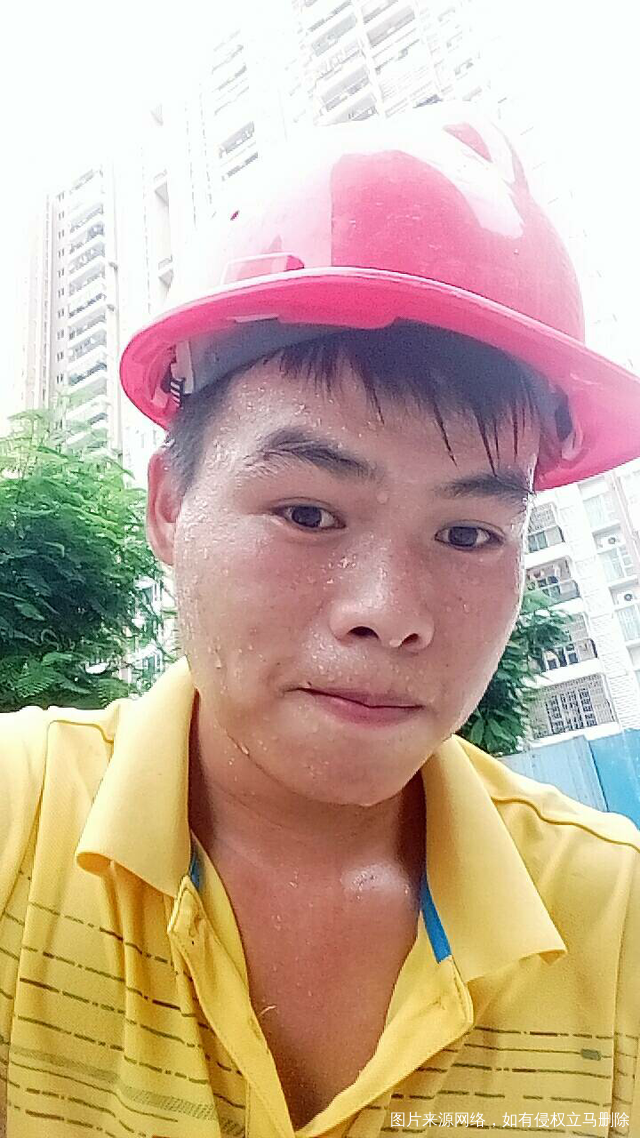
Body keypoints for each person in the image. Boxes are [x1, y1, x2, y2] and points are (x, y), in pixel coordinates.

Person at [1, 103, 639, 1138]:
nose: (389, 615)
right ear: (169, 507)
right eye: (307, 513)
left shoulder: (614, 919)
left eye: (468, 533)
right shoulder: (18, 824)